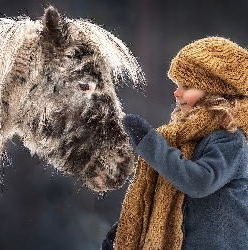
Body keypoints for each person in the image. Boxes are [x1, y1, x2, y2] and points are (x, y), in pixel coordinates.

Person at [101, 36, 248, 250]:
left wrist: (150, 143)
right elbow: (163, 196)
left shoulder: (230, 139)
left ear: (215, 93)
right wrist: (126, 234)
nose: (176, 93)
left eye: (186, 86)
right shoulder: (185, 138)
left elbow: (198, 182)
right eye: (177, 85)